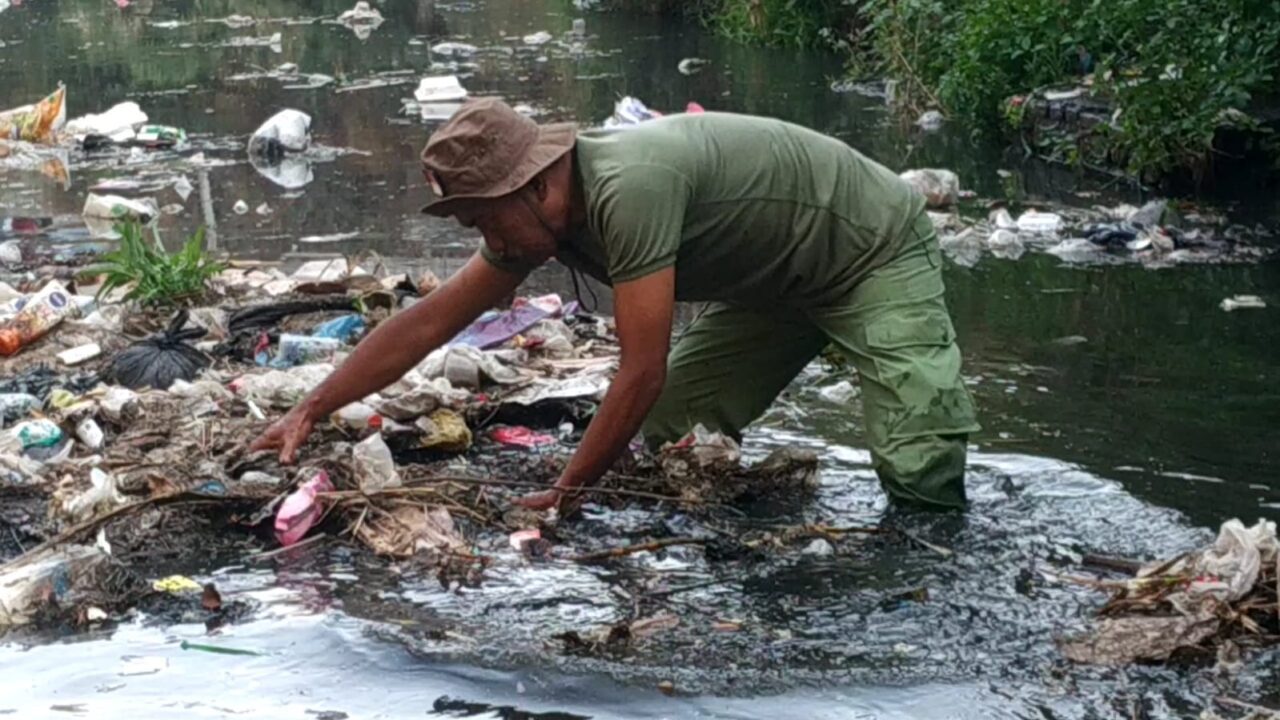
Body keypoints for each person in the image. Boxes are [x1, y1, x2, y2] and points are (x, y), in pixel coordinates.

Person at [250, 98, 980, 512]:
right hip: (774, 285)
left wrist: (565, 492)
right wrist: (310, 409)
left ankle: (931, 586)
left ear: (535, 187)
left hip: (867, 247)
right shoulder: (536, 223)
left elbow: (640, 370)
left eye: (485, 220)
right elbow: (430, 321)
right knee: (665, 437)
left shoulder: (631, 189)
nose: (486, 240)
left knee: (920, 458)